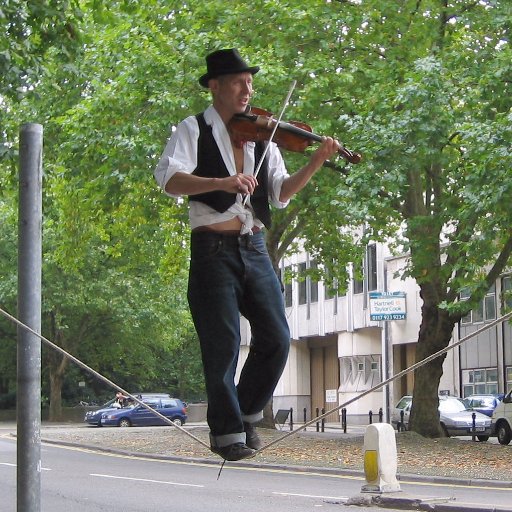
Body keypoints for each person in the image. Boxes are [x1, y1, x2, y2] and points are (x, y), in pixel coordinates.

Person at [154, 48, 340, 461]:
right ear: (215, 86)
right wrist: (223, 180)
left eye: (250, 82)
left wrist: (315, 160)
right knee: (222, 344)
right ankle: (227, 436)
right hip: (211, 248)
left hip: (253, 246)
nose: (247, 89)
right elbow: (170, 180)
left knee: (276, 337)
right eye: (239, 82)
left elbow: (279, 192)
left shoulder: (263, 135)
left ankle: (247, 415)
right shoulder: (191, 128)